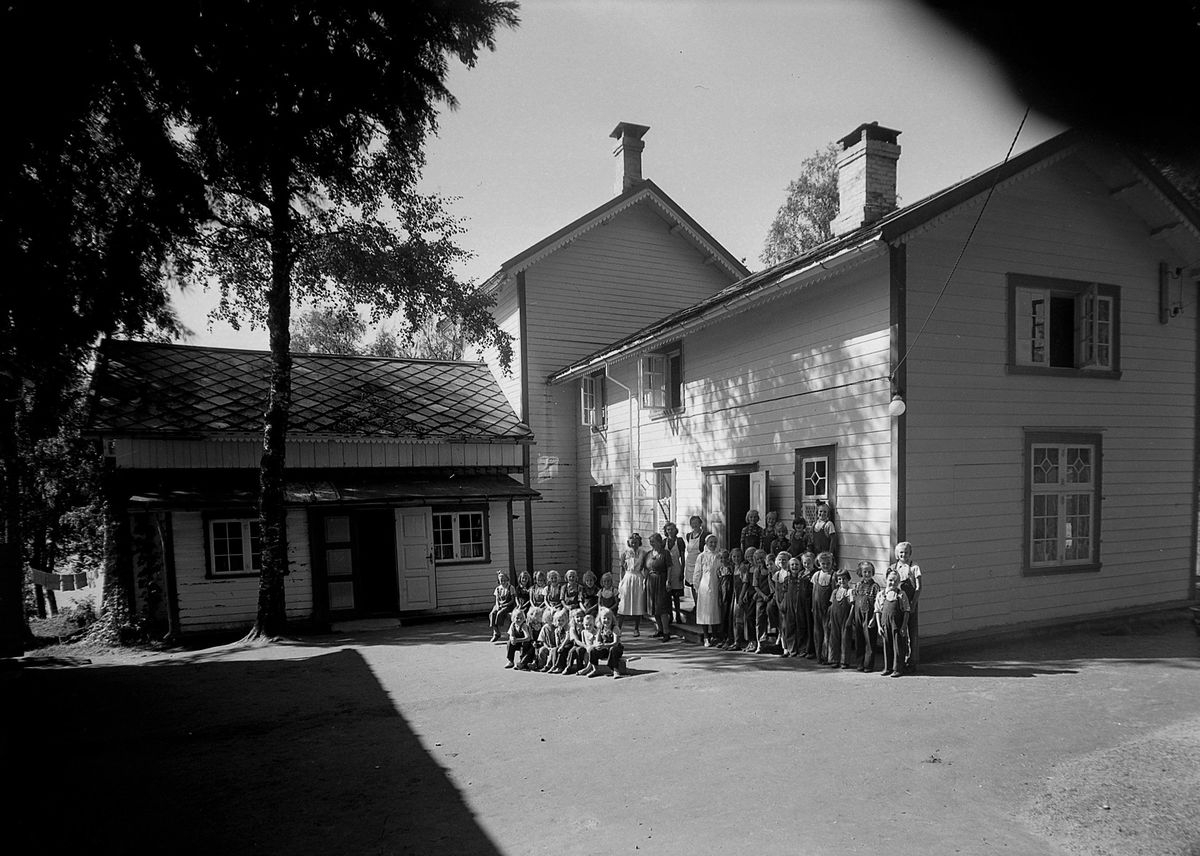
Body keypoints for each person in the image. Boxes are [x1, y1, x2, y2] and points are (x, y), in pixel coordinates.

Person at [890, 541, 923, 673]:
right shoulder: (893, 567)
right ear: (897, 554)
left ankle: (913, 660)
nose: (904, 555)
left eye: (907, 552)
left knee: (912, 632)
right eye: (901, 552)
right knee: (900, 631)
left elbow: (919, 587)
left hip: (911, 601)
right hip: (898, 603)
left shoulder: (914, 567)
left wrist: (913, 603)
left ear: (910, 554)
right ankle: (900, 660)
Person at [874, 569, 911, 678]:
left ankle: (898, 668)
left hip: (897, 625)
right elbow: (877, 611)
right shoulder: (881, 594)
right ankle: (887, 667)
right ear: (886, 580)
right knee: (887, 647)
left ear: (899, 582)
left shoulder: (901, 595)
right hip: (885, 625)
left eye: (896, 581)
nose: (893, 583)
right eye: (890, 580)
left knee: (898, 647)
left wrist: (904, 626)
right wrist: (879, 626)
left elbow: (906, 611)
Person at [642, 532, 676, 642]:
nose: (652, 543)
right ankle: (660, 629)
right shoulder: (648, 554)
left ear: (659, 541)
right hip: (651, 581)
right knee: (653, 608)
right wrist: (644, 580)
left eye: (654, 541)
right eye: (650, 542)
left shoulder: (665, 553)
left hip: (661, 580)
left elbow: (670, 567)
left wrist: (668, 581)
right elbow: (645, 569)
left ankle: (666, 632)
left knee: (662, 607)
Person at [850, 561, 881, 672]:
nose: (867, 574)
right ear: (860, 573)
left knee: (869, 640)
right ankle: (860, 663)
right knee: (859, 639)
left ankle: (868, 664)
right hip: (859, 615)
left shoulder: (875, 586)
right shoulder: (857, 585)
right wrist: (853, 617)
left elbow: (877, 604)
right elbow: (854, 602)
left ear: (872, 572)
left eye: (869, 572)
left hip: (869, 616)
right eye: (865, 572)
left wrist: (873, 618)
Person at [692, 534, 723, 646]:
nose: (713, 544)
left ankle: (714, 635)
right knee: (705, 611)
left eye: (715, 542)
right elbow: (697, 572)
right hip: (704, 586)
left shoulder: (720, 556)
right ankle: (706, 636)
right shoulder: (702, 556)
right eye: (711, 542)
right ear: (706, 543)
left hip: (716, 585)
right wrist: (696, 587)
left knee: (715, 610)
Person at [617, 533, 648, 636]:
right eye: (632, 542)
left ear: (639, 542)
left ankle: (636, 628)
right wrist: (621, 582)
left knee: (638, 602)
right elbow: (621, 568)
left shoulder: (643, 553)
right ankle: (619, 628)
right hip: (628, 577)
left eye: (636, 542)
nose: (634, 544)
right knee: (624, 603)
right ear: (629, 543)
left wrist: (645, 579)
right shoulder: (625, 553)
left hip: (638, 577)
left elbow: (645, 567)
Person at [827, 568, 855, 668]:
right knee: (834, 638)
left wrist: (850, 619)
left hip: (845, 618)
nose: (841, 581)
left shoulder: (850, 591)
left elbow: (852, 606)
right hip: (834, 618)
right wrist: (830, 619)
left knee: (845, 639)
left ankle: (844, 661)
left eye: (844, 579)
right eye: (839, 579)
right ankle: (834, 659)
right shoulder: (835, 591)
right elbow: (831, 606)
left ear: (848, 579)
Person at [811, 551, 835, 663]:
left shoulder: (833, 576)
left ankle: (827, 656)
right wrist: (812, 606)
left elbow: (835, 593)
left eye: (828, 563)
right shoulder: (816, 575)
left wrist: (832, 608)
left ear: (832, 563)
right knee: (817, 631)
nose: (825, 566)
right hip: (817, 607)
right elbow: (814, 592)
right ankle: (818, 655)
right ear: (819, 563)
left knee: (827, 632)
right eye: (823, 563)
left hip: (828, 608)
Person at [682, 515, 709, 614]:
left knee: (700, 584)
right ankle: (696, 604)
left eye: (696, 523)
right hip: (690, 562)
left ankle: (702, 605)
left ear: (700, 523)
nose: (694, 525)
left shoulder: (705, 535)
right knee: (692, 584)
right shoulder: (689, 535)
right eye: (693, 523)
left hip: (700, 562)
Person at [783, 555, 808, 658]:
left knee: (801, 626)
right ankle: (791, 649)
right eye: (792, 564)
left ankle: (802, 649)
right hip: (790, 604)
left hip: (800, 605)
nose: (794, 566)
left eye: (797, 564)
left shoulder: (803, 578)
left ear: (800, 566)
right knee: (790, 626)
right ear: (789, 566)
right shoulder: (786, 579)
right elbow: (784, 592)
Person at [590, 607, 626, 677]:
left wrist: (604, 645)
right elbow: (597, 641)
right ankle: (595, 669)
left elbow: (615, 643)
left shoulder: (615, 628)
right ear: (600, 619)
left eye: (608, 618)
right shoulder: (600, 629)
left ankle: (615, 670)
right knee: (593, 650)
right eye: (604, 618)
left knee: (613, 649)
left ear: (612, 619)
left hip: (616, 649)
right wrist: (598, 645)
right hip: (606, 649)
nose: (606, 620)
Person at [663, 522, 687, 623]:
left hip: (677, 567)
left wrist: (682, 571)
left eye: (672, 529)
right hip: (667, 569)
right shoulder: (664, 542)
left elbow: (682, 557)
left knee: (676, 595)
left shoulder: (680, 541)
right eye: (668, 529)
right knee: (668, 594)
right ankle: (670, 615)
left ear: (675, 530)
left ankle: (678, 615)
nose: (670, 531)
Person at [772, 550, 793, 657]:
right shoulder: (777, 574)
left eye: (784, 560)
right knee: (781, 625)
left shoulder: (790, 574)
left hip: (787, 600)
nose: (782, 561)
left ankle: (790, 647)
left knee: (788, 624)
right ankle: (784, 647)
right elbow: (776, 589)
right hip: (779, 600)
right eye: (780, 560)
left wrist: (784, 601)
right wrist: (778, 602)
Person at [751, 548, 773, 653]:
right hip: (761, 597)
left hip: (771, 596)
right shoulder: (757, 570)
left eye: (762, 558)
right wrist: (763, 596)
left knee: (772, 616)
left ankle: (774, 641)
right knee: (759, 619)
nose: (760, 561)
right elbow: (756, 586)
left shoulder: (770, 569)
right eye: (757, 559)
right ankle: (759, 642)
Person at [731, 548, 752, 651]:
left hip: (741, 595)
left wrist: (741, 596)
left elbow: (745, 583)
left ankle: (739, 641)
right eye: (734, 556)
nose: (736, 558)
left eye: (738, 556)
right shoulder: (734, 567)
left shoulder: (742, 567)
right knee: (735, 618)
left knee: (739, 618)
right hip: (736, 594)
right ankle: (736, 640)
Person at [540, 608, 572, 673]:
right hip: (561, 645)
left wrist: (561, 646)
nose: (560, 622)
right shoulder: (556, 630)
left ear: (566, 620)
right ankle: (552, 666)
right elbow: (557, 640)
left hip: (568, 644)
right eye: (559, 621)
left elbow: (567, 638)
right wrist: (558, 647)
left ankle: (559, 667)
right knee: (554, 649)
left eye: (562, 620)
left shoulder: (567, 628)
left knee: (562, 650)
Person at [489, 570, 516, 642]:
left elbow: (512, 600)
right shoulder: (498, 589)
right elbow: (497, 599)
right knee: (492, 613)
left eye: (504, 580)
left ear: (507, 579)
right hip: (499, 604)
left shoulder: (511, 587)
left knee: (500, 613)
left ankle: (500, 627)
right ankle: (496, 632)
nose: (503, 582)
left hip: (508, 605)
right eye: (501, 581)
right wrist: (498, 606)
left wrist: (505, 604)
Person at [717, 548, 734, 649]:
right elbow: (719, 584)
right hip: (723, 593)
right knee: (723, 616)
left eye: (726, 557)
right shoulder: (719, 570)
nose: (724, 560)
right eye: (721, 558)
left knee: (729, 616)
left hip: (730, 593)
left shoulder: (731, 568)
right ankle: (723, 638)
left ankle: (729, 638)